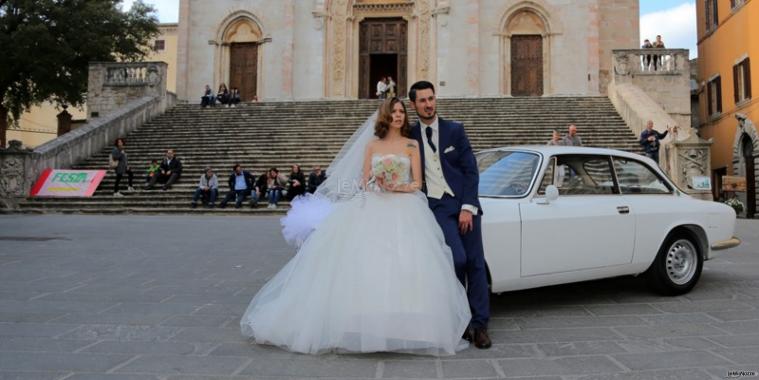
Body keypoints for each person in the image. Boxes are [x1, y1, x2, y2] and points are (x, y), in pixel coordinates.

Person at [241, 97, 470, 355]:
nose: (398, 116)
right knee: (367, 263)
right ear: (385, 116)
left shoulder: (411, 144)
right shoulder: (372, 146)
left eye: (401, 112)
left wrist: (397, 186)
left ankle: (408, 326)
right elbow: (363, 181)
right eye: (394, 112)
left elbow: (417, 182)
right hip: (373, 204)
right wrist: (377, 183)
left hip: (405, 207)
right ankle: (362, 322)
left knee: (407, 263)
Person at [408, 80, 491, 349]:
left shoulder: (455, 130)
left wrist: (468, 207)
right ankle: (460, 319)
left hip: (464, 204)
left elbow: (471, 171)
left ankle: (480, 326)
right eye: (422, 100)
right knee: (456, 259)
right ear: (414, 105)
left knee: (476, 263)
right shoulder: (409, 136)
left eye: (431, 98)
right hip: (437, 207)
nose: (429, 104)